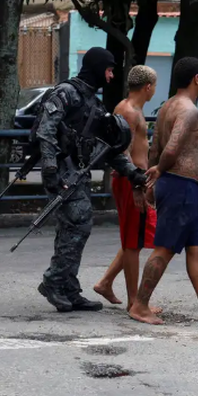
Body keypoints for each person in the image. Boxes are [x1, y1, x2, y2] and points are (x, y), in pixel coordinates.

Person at [35, 46, 148, 313]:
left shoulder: (93, 105)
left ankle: (68, 288)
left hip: (78, 173)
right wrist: (50, 169)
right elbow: (45, 130)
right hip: (62, 172)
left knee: (72, 228)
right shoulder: (66, 93)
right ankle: (54, 281)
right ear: (97, 68)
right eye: (109, 70)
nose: (110, 77)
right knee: (79, 223)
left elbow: (107, 148)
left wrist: (132, 172)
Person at [127, 57, 198, 326]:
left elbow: (155, 146)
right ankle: (140, 305)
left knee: (197, 248)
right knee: (164, 248)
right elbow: (172, 147)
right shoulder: (188, 110)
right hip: (180, 185)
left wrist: (152, 177)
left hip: (182, 186)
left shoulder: (166, 106)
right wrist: (160, 172)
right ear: (196, 79)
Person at [93, 65, 160, 312]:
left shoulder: (133, 109)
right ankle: (135, 302)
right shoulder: (128, 111)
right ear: (148, 87)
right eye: (154, 85)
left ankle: (105, 282)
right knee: (132, 242)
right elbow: (122, 152)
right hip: (130, 181)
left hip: (136, 179)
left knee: (137, 238)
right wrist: (135, 185)